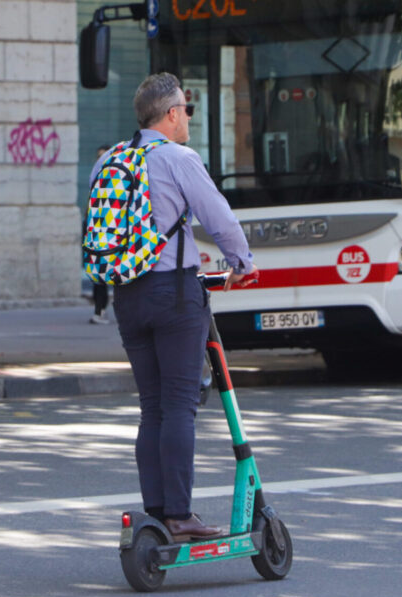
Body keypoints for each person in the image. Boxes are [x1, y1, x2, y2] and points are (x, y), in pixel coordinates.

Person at [89, 73, 257, 541]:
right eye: (186, 109)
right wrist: (243, 263)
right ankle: (180, 515)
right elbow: (218, 217)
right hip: (175, 294)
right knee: (181, 406)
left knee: (153, 407)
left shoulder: (110, 162)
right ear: (170, 114)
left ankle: (158, 511)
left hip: (128, 297)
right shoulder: (178, 158)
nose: (187, 117)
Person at [90, 145, 112, 324]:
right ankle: (99, 309)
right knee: (99, 273)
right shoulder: (98, 176)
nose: (100, 160)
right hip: (98, 231)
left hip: (110, 233)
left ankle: (101, 308)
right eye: (98, 156)